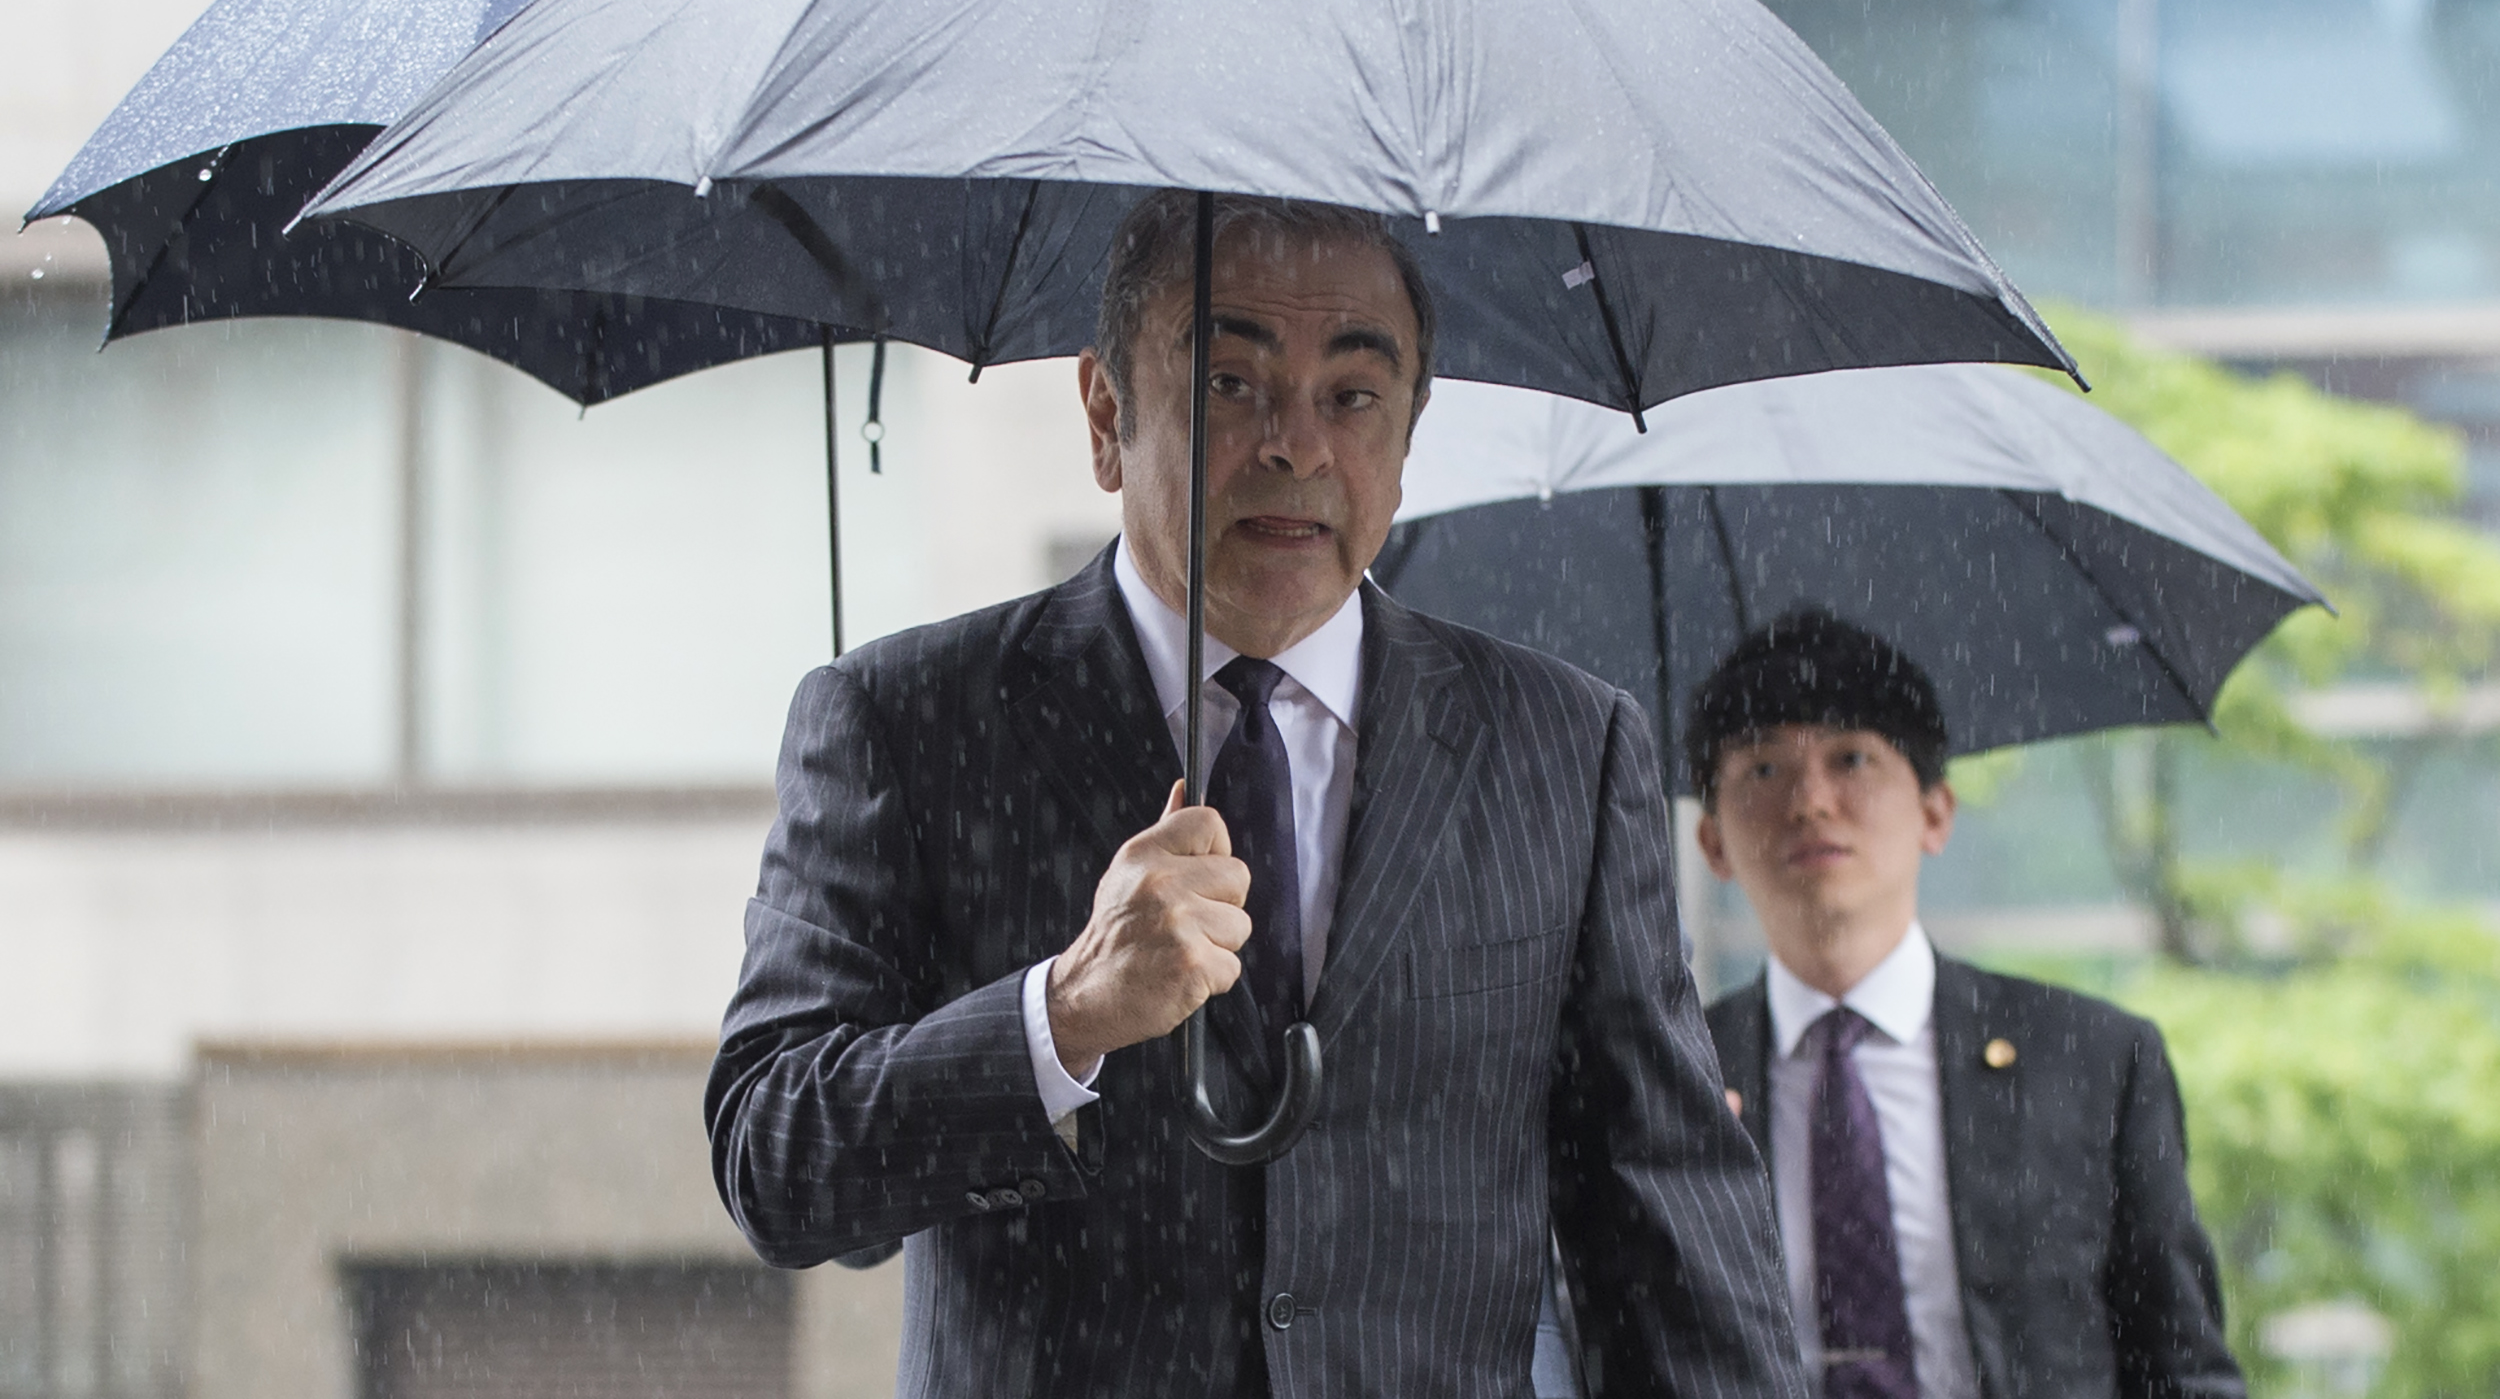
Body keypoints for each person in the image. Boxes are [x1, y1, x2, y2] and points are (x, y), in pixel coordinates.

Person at [706, 191, 1807, 1399]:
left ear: (1406, 432)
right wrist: (1060, 1013)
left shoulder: (1561, 745)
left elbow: (1668, 1226)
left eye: (1351, 394)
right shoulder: (906, 721)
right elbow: (774, 1158)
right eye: (1231, 383)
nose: (1294, 444)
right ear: (1105, 412)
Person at [1686, 612, 2246, 1399]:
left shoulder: (2091, 1062)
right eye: (1764, 771)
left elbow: (2183, 1365)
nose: (1811, 802)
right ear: (1711, 843)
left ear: (1936, 812)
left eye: (1852, 759)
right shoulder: (1674, 1080)